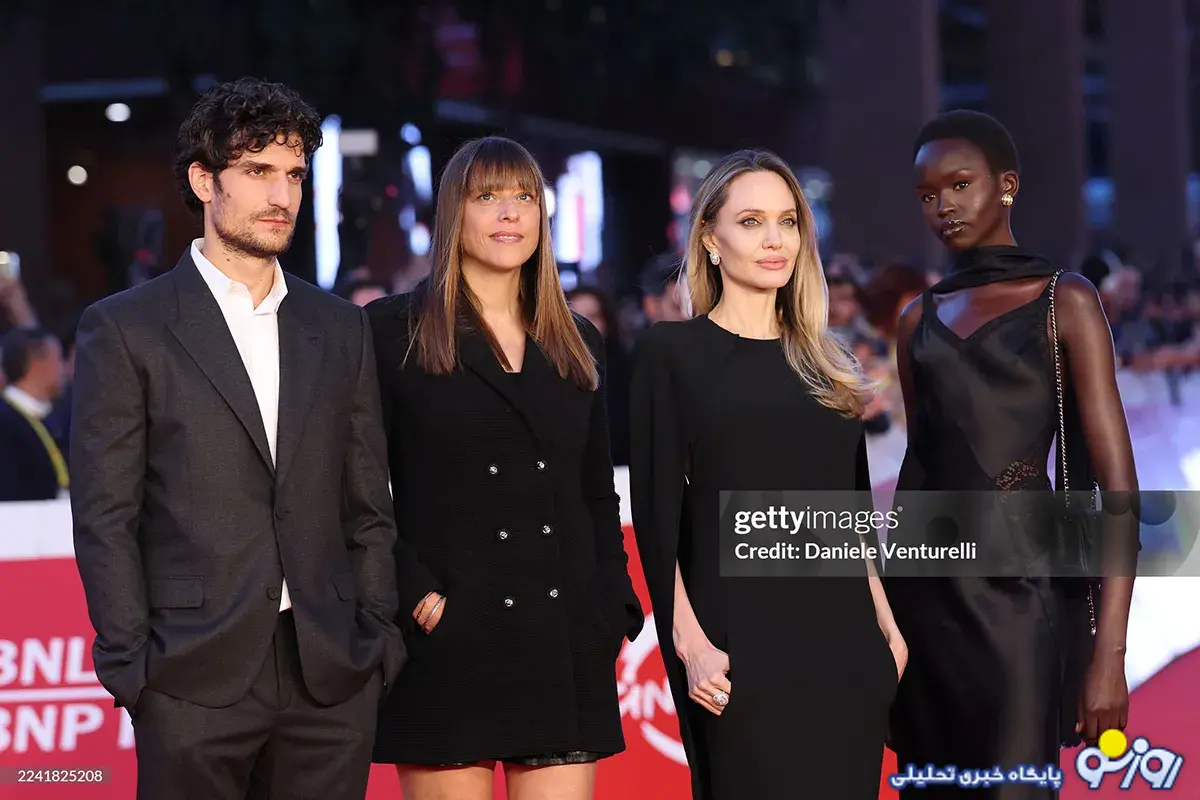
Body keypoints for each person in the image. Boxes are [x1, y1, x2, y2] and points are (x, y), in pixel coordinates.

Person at [69, 77, 404, 800]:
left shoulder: (339, 326)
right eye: (257, 171)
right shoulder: (126, 328)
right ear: (204, 180)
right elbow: (105, 515)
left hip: (330, 676)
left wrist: (377, 636)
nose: (281, 195)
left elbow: (367, 502)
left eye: (294, 175)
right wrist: (134, 668)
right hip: (189, 677)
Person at [367, 136, 644, 800]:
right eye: (487, 196)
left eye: (525, 196)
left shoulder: (577, 338)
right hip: (448, 635)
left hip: (563, 635)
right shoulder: (390, 331)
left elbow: (595, 491)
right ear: (452, 213)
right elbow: (356, 487)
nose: (510, 212)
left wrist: (611, 604)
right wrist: (415, 593)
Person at [629, 149, 905, 800]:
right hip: (738, 647)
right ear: (710, 238)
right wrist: (691, 645)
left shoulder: (827, 360)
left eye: (787, 221)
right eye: (751, 221)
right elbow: (657, 515)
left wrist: (888, 631)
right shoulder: (672, 353)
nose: (775, 239)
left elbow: (847, 514)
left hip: (847, 648)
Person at [887, 110, 1138, 796]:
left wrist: (1109, 656)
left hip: (1024, 609)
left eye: (960, 184)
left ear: (1007, 185)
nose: (943, 206)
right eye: (927, 194)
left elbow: (1119, 491)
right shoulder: (916, 320)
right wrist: (886, 631)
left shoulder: (1066, 301)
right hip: (925, 613)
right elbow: (919, 476)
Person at [0, 327, 68, 501]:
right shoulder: (5, 423)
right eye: (58, 359)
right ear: (36, 364)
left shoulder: (48, 418)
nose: (64, 369)